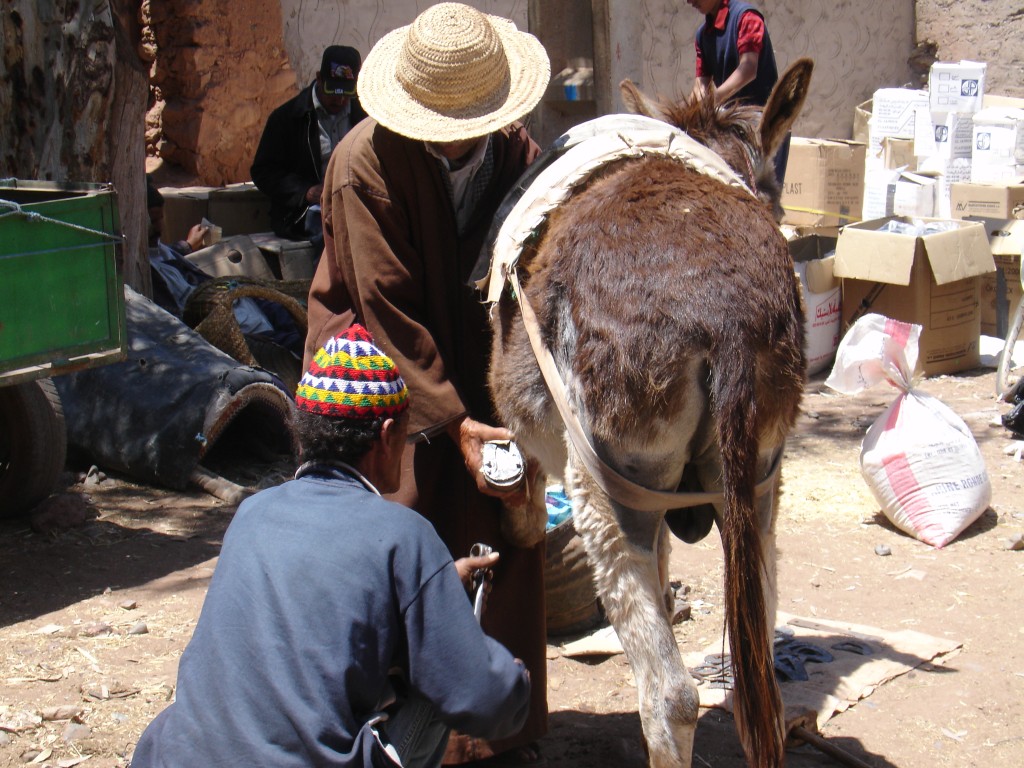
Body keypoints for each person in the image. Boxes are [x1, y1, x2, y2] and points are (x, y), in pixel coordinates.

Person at [303, 3, 551, 763]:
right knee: (403, 527)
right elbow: (383, 306)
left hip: (478, 356)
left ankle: (500, 725)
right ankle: (397, 736)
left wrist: (517, 403)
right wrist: (453, 421)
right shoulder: (363, 166)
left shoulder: (516, 155)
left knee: (509, 522)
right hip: (377, 368)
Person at [131, 324, 531, 768]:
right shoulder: (404, 535)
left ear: (301, 435)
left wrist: (432, 587)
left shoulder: (252, 514)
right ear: (387, 436)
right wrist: (513, 678)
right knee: (437, 677)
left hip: (176, 758)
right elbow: (481, 699)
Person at [251, 45, 367, 251]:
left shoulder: (365, 117)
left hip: (355, 206)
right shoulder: (287, 118)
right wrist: (306, 191)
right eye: (332, 91)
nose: (339, 99)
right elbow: (264, 172)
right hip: (303, 213)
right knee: (334, 233)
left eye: (346, 92)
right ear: (319, 79)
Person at [688, 0, 790, 183]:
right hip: (732, 126)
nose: (689, 1)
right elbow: (700, 86)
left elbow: (748, 69)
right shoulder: (703, 36)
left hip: (763, 125)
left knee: (761, 194)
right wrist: (687, 113)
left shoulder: (747, 18)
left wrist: (713, 99)